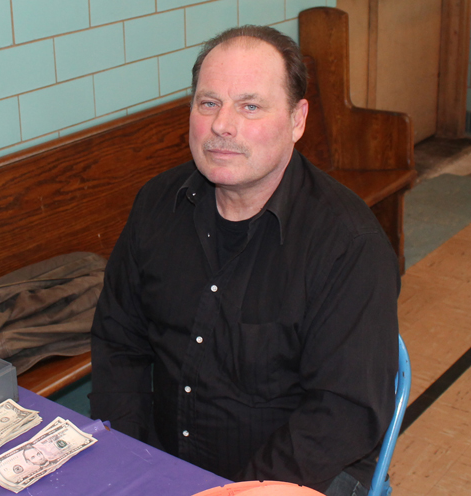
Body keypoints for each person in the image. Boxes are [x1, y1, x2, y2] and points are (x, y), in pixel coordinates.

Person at [90, 25, 399, 496]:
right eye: (208, 103)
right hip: (165, 464)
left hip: (296, 473)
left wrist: (235, 491)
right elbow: (118, 341)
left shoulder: (348, 243)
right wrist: (131, 456)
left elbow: (342, 412)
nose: (221, 125)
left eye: (250, 106)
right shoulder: (157, 205)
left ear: (297, 120)